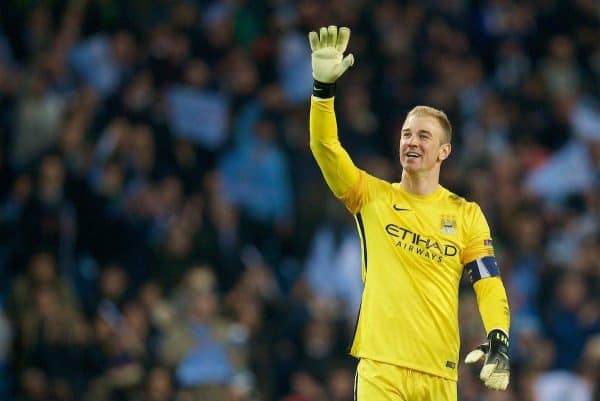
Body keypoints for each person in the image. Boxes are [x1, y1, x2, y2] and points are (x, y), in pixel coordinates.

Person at [308, 26, 511, 401]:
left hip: (438, 374)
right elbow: (324, 146)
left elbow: (487, 280)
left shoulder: (466, 214)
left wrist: (498, 335)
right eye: (406, 134)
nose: (411, 142)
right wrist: (323, 91)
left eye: (423, 136)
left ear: (444, 152)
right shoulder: (370, 195)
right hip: (380, 366)